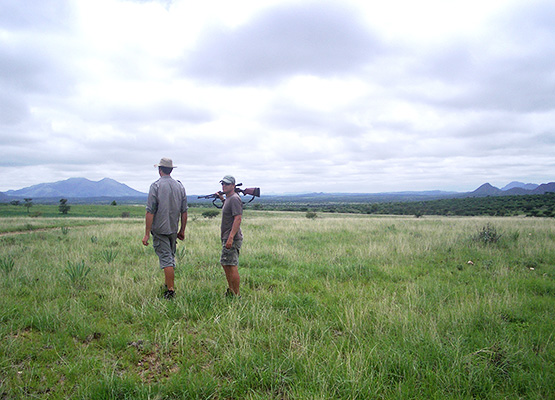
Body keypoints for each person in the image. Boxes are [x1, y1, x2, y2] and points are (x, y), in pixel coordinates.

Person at [142, 158, 188, 299]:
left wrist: (146, 234)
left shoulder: (155, 186)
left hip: (160, 229)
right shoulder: (179, 186)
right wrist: (182, 230)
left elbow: (150, 212)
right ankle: (167, 284)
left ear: (160, 170)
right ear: (171, 170)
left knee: (166, 260)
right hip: (173, 229)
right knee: (170, 257)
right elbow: (184, 211)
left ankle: (170, 290)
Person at [217, 175, 243, 297]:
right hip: (227, 236)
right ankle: (231, 290)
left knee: (231, 265)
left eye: (227, 184)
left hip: (231, 237)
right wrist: (222, 199)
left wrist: (231, 237)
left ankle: (236, 294)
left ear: (233, 185)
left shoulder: (234, 198)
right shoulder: (228, 198)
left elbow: (237, 218)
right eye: (223, 184)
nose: (224, 186)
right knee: (225, 263)